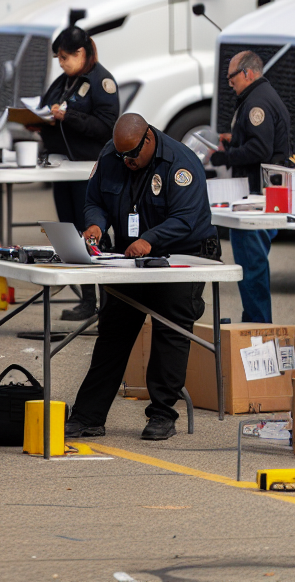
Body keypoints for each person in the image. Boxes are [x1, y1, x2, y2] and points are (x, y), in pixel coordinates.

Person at [65, 112, 214, 441]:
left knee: (170, 329)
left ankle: (162, 415)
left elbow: (187, 219)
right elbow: (95, 200)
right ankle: (88, 416)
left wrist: (151, 240)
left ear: (148, 139)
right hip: (129, 258)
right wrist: (95, 224)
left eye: (132, 154)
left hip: (180, 257)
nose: (126, 161)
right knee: (113, 331)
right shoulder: (112, 155)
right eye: (121, 155)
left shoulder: (180, 163)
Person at [33, 25, 119, 321]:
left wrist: (70, 116)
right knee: (69, 232)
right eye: (58, 58)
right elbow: (46, 106)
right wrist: (38, 120)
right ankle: (87, 299)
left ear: (82, 53)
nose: (62, 63)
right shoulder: (65, 81)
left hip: (87, 170)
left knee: (91, 232)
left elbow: (107, 126)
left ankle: (106, 299)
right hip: (62, 169)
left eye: (66, 57)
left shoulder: (101, 81)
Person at [209, 49, 292, 324]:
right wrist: (234, 141)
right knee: (250, 262)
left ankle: (257, 327)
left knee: (251, 264)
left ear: (247, 73)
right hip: (260, 194)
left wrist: (228, 155)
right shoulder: (258, 97)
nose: (229, 82)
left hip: (258, 198)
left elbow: (260, 148)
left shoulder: (257, 102)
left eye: (232, 76)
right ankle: (253, 323)